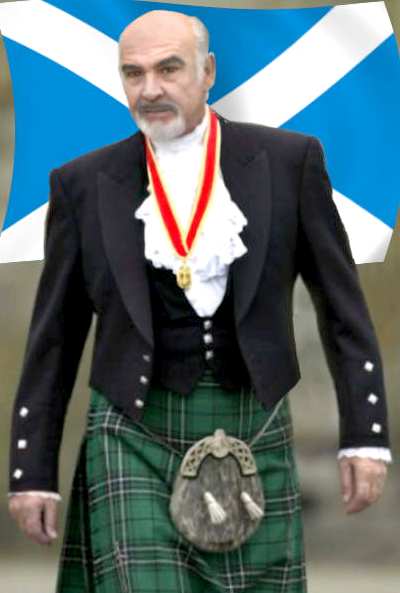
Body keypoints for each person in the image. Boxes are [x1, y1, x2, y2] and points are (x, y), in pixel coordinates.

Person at [7, 9, 390, 593]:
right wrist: (31, 471)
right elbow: (54, 339)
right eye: (133, 73)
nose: (149, 89)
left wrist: (366, 436)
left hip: (255, 427)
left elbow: (343, 311)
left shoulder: (289, 163)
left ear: (208, 71)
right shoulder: (82, 183)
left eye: (169, 68)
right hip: (131, 434)